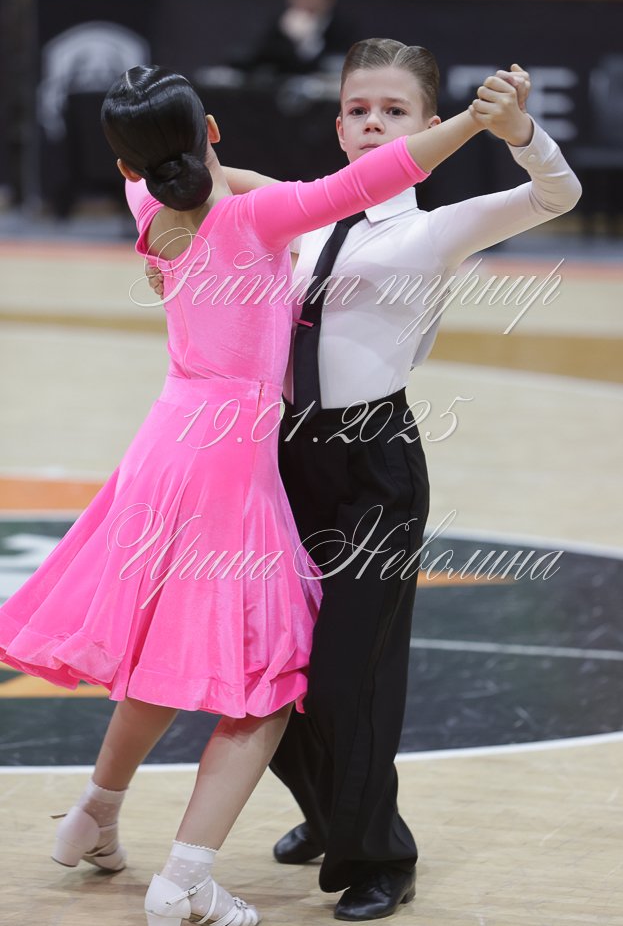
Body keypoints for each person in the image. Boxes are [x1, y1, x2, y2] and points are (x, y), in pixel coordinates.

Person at [0, 64, 488, 926]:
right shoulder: (258, 219)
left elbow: (214, 185)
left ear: (126, 166)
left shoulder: (147, 207)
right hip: (229, 464)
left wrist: (208, 173)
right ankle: (186, 877)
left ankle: (96, 812)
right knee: (272, 675)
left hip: (162, 446)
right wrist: (474, 122)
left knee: (158, 649)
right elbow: (374, 178)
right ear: (214, 132)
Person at [148, 38, 582, 922]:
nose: (373, 123)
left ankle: (381, 854)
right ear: (339, 123)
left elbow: (557, 194)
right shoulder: (299, 211)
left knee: (351, 674)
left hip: (372, 465)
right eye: (358, 109)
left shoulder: (434, 227)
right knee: (261, 669)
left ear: (429, 125)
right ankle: (330, 811)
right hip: (277, 458)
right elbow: (210, 183)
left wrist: (516, 130)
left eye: (394, 111)